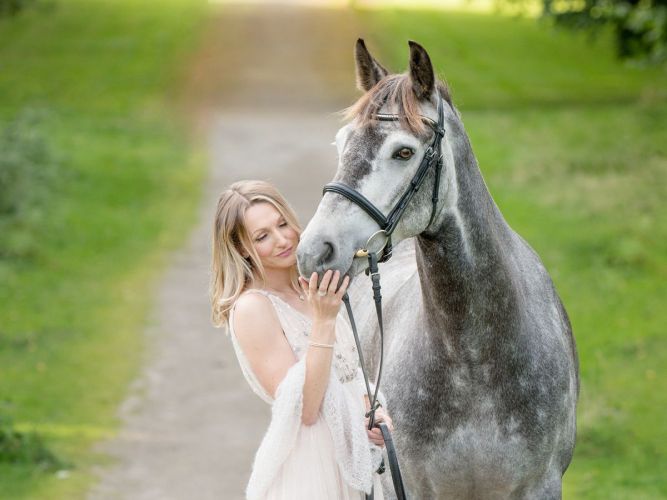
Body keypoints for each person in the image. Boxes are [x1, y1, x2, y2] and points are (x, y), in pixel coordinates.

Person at [210, 180, 390, 500]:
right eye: (262, 236)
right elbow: (305, 409)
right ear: (240, 249)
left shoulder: (310, 287)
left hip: (351, 460)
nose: (282, 240)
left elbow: (349, 372)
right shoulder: (252, 308)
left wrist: (373, 413)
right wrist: (324, 321)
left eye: (282, 224)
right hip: (311, 472)